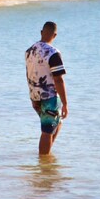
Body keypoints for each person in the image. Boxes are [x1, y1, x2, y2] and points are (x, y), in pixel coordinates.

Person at [25, 21, 68, 156]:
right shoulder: (53, 53)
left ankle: (47, 154)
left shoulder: (29, 51)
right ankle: (43, 164)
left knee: (57, 122)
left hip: (34, 96)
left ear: (41, 32)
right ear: (55, 35)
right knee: (47, 130)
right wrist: (65, 103)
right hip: (49, 97)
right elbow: (58, 79)